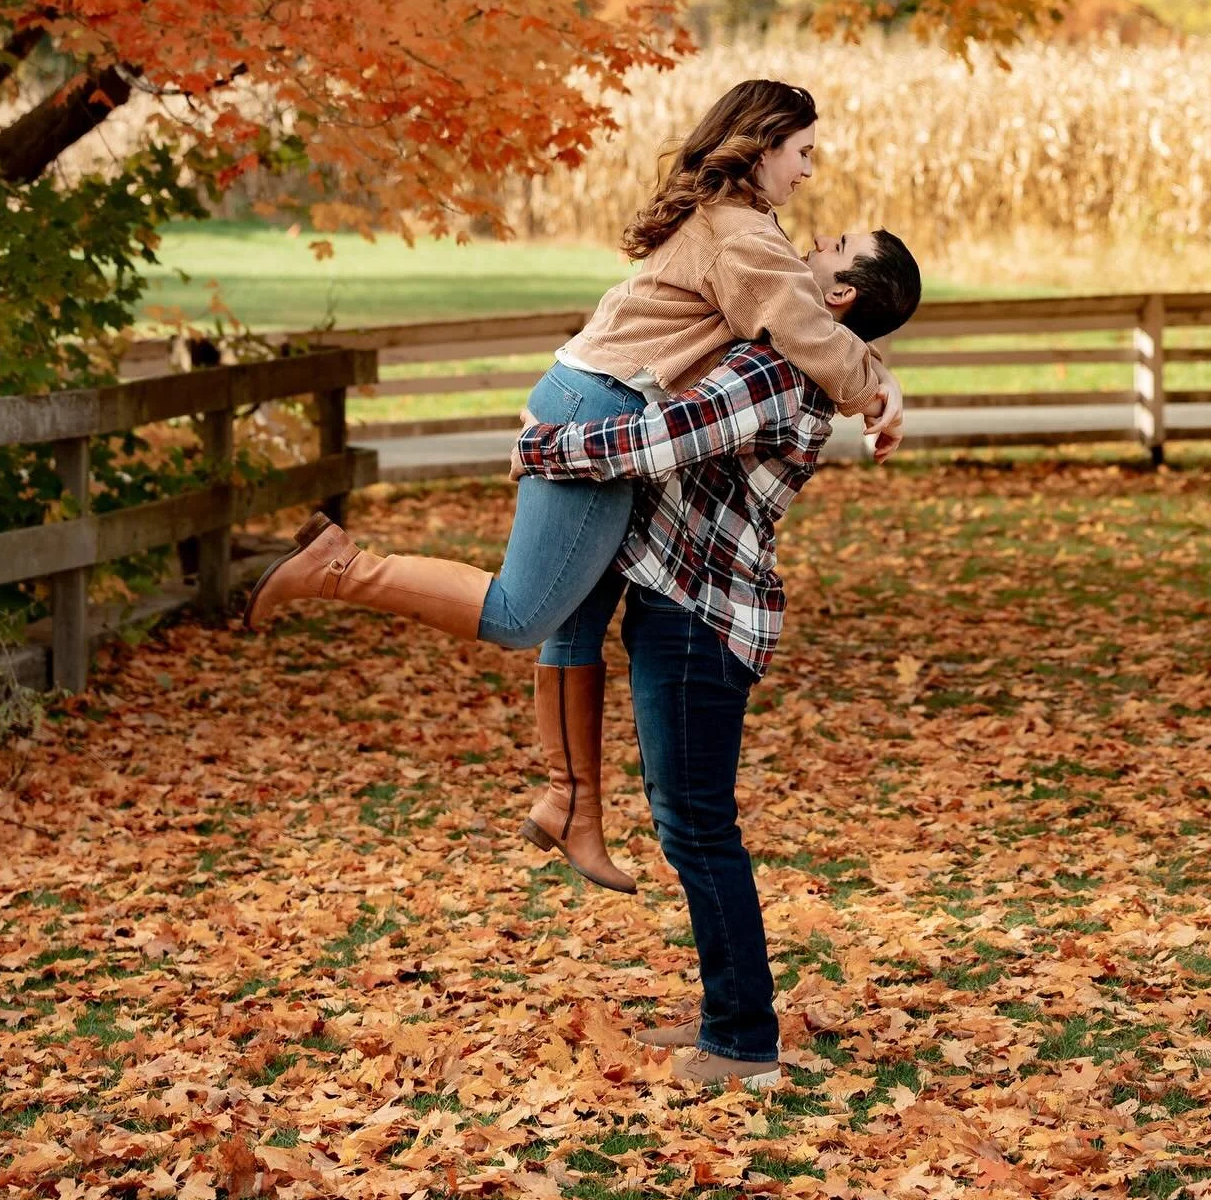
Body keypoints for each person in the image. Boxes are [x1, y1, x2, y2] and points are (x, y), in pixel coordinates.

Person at [244, 81, 906, 895]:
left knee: (576, 620)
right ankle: (342, 568)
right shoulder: (745, 236)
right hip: (603, 408)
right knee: (523, 613)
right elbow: (812, 334)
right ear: (763, 144)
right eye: (802, 152)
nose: (808, 170)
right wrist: (878, 392)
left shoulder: (744, 224)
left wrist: (879, 373)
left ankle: (571, 807)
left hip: (598, 392)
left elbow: (817, 322)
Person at [512, 226, 923, 1089]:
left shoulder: (774, 372)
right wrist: (883, 381)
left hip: (700, 620)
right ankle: (727, 1014)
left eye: (837, 244)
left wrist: (541, 446)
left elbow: (660, 440)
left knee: (697, 827)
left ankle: (741, 1042)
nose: (815, 236)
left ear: (840, 294)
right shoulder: (792, 354)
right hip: (685, 607)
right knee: (691, 823)